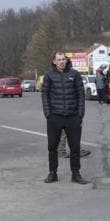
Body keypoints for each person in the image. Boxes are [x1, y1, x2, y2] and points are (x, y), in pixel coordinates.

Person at [42, 52, 88, 184]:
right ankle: (52, 173)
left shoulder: (75, 74)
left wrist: (80, 114)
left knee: (75, 147)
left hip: (73, 117)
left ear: (66, 61)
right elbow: (44, 95)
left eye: (64, 59)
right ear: (54, 61)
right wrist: (48, 114)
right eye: (59, 60)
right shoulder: (49, 75)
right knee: (52, 147)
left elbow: (81, 95)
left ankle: (76, 174)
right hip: (55, 117)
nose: (62, 62)